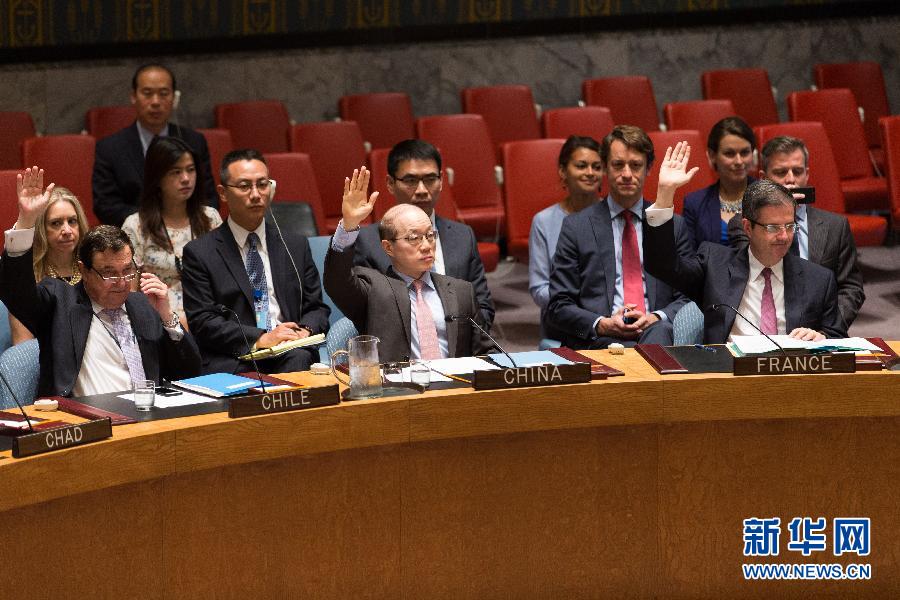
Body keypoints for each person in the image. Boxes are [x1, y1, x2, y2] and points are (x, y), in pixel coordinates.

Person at [1, 167, 202, 397]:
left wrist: (168, 319)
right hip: (88, 422)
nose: (120, 282)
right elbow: (15, 291)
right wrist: (26, 221)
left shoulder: (142, 306)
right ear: (84, 271)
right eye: (108, 273)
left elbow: (189, 372)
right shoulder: (60, 302)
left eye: (127, 271)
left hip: (148, 417)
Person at [644, 142, 846, 343]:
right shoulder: (715, 267)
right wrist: (665, 194)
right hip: (730, 370)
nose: (784, 236)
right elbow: (663, 265)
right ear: (748, 228)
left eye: (790, 226)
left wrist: (822, 337)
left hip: (790, 372)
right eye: (773, 228)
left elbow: (838, 337)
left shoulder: (818, 279)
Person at [181, 149, 330, 374]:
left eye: (262, 184)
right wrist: (261, 337)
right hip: (235, 357)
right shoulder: (200, 253)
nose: (256, 194)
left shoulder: (295, 244)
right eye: (244, 186)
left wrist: (304, 331)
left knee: (299, 358)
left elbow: (316, 307)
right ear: (223, 193)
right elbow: (203, 322)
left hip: (290, 350)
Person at [324, 167, 490, 363]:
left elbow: (484, 352)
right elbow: (337, 281)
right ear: (389, 247)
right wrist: (349, 226)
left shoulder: (461, 291)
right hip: (399, 389)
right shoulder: (373, 291)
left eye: (430, 236)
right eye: (414, 238)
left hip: (455, 386)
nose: (427, 246)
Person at [545, 125, 690, 349]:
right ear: (604, 167)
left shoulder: (672, 225)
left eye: (636, 165)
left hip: (657, 334)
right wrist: (602, 324)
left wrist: (655, 317)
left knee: (658, 335)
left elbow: (689, 296)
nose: (627, 175)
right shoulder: (576, 227)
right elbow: (558, 305)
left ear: (649, 168)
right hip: (600, 339)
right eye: (618, 165)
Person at [349, 139, 495, 328]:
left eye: (430, 179)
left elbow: (483, 306)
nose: (422, 190)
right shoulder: (369, 241)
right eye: (410, 180)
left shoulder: (463, 236)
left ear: (441, 181)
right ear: (390, 183)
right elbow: (364, 311)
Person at [728, 136, 864, 330]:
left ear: (807, 174)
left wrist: (829, 329)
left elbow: (851, 288)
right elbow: (751, 270)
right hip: (766, 325)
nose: (791, 179)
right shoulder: (745, 223)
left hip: (820, 331)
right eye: (781, 172)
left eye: (797, 171)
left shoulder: (836, 226)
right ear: (764, 178)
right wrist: (781, 208)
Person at [92, 63, 217, 227]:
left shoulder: (193, 141)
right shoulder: (110, 148)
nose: (156, 102)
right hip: (132, 236)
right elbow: (106, 206)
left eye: (164, 93)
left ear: (174, 98)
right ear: (133, 96)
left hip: (189, 234)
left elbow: (209, 198)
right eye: (147, 93)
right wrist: (155, 223)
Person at [122, 137, 223, 328]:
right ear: (157, 177)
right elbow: (131, 293)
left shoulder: (210, 219)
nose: (186, 178)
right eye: (176, 172)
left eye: (190, 170)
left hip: (209, 321)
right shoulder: (135, 225)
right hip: (157, 322)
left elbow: (224, 281)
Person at [529, 135, 602, 317]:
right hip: (564, 318)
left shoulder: (615, 215)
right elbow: (540, 289)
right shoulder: (543, 221)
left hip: (613, 314)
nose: (590, 172)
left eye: (597, 167)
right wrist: (584, 305)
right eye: (581, 166)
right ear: (563, 171)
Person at [8, 185, 90, 345]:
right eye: (56, 223)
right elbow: (23, 351)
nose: (67, 230)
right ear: (41, 230)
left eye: (72, 221)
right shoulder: (27, 282)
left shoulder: (94, 272)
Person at [682, 117, 757, 249]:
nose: (739, 161)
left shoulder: (770, 196)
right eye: (729, 153)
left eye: (745, 152)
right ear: (712, 155)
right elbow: (688, 258)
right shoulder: (695, 203)